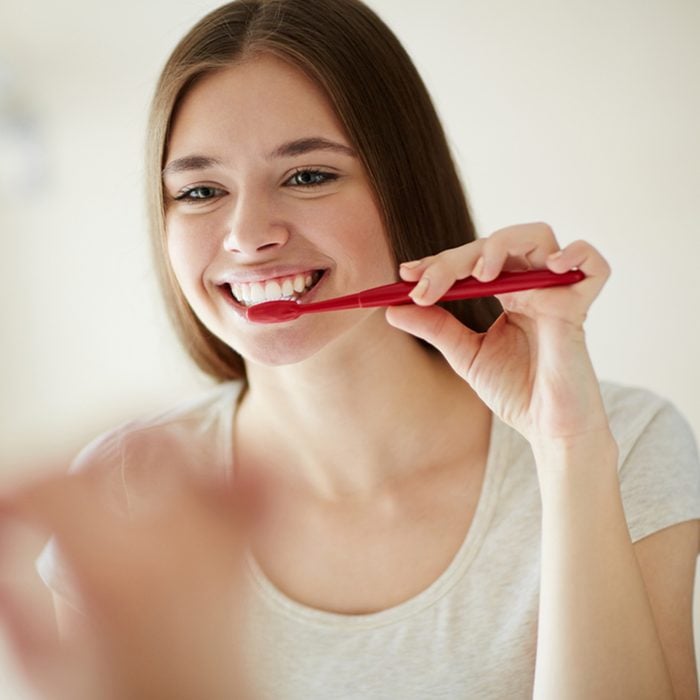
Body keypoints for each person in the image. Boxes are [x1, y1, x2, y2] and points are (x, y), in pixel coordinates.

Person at [10, 0, 700, 697]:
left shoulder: (624, 446)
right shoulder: (128, 491)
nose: (248, 235)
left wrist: (567, 446)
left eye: (308, 176)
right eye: (200, 190)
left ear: (405, 186)